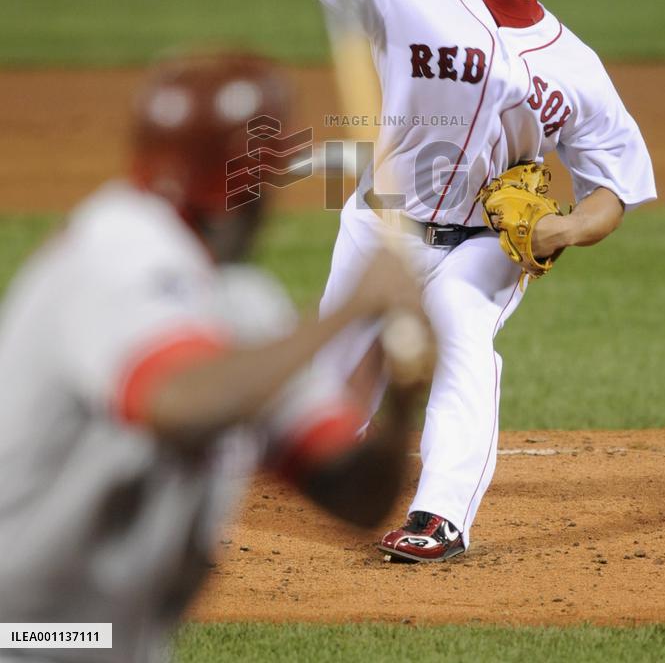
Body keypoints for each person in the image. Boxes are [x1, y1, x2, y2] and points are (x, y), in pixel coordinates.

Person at [117, 0, 656, 564]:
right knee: (325, 402)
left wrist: (567, 226)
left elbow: (615, 185)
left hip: (483, 245)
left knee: (463, 339)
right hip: (380, 225)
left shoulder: (576, 66)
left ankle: (439, 516)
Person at [0, 50, 431, 663]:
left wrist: (401, 392)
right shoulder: (114, 250)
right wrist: (344, 312)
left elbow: (355, 497)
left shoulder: (244, 306)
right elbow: (173, 401)